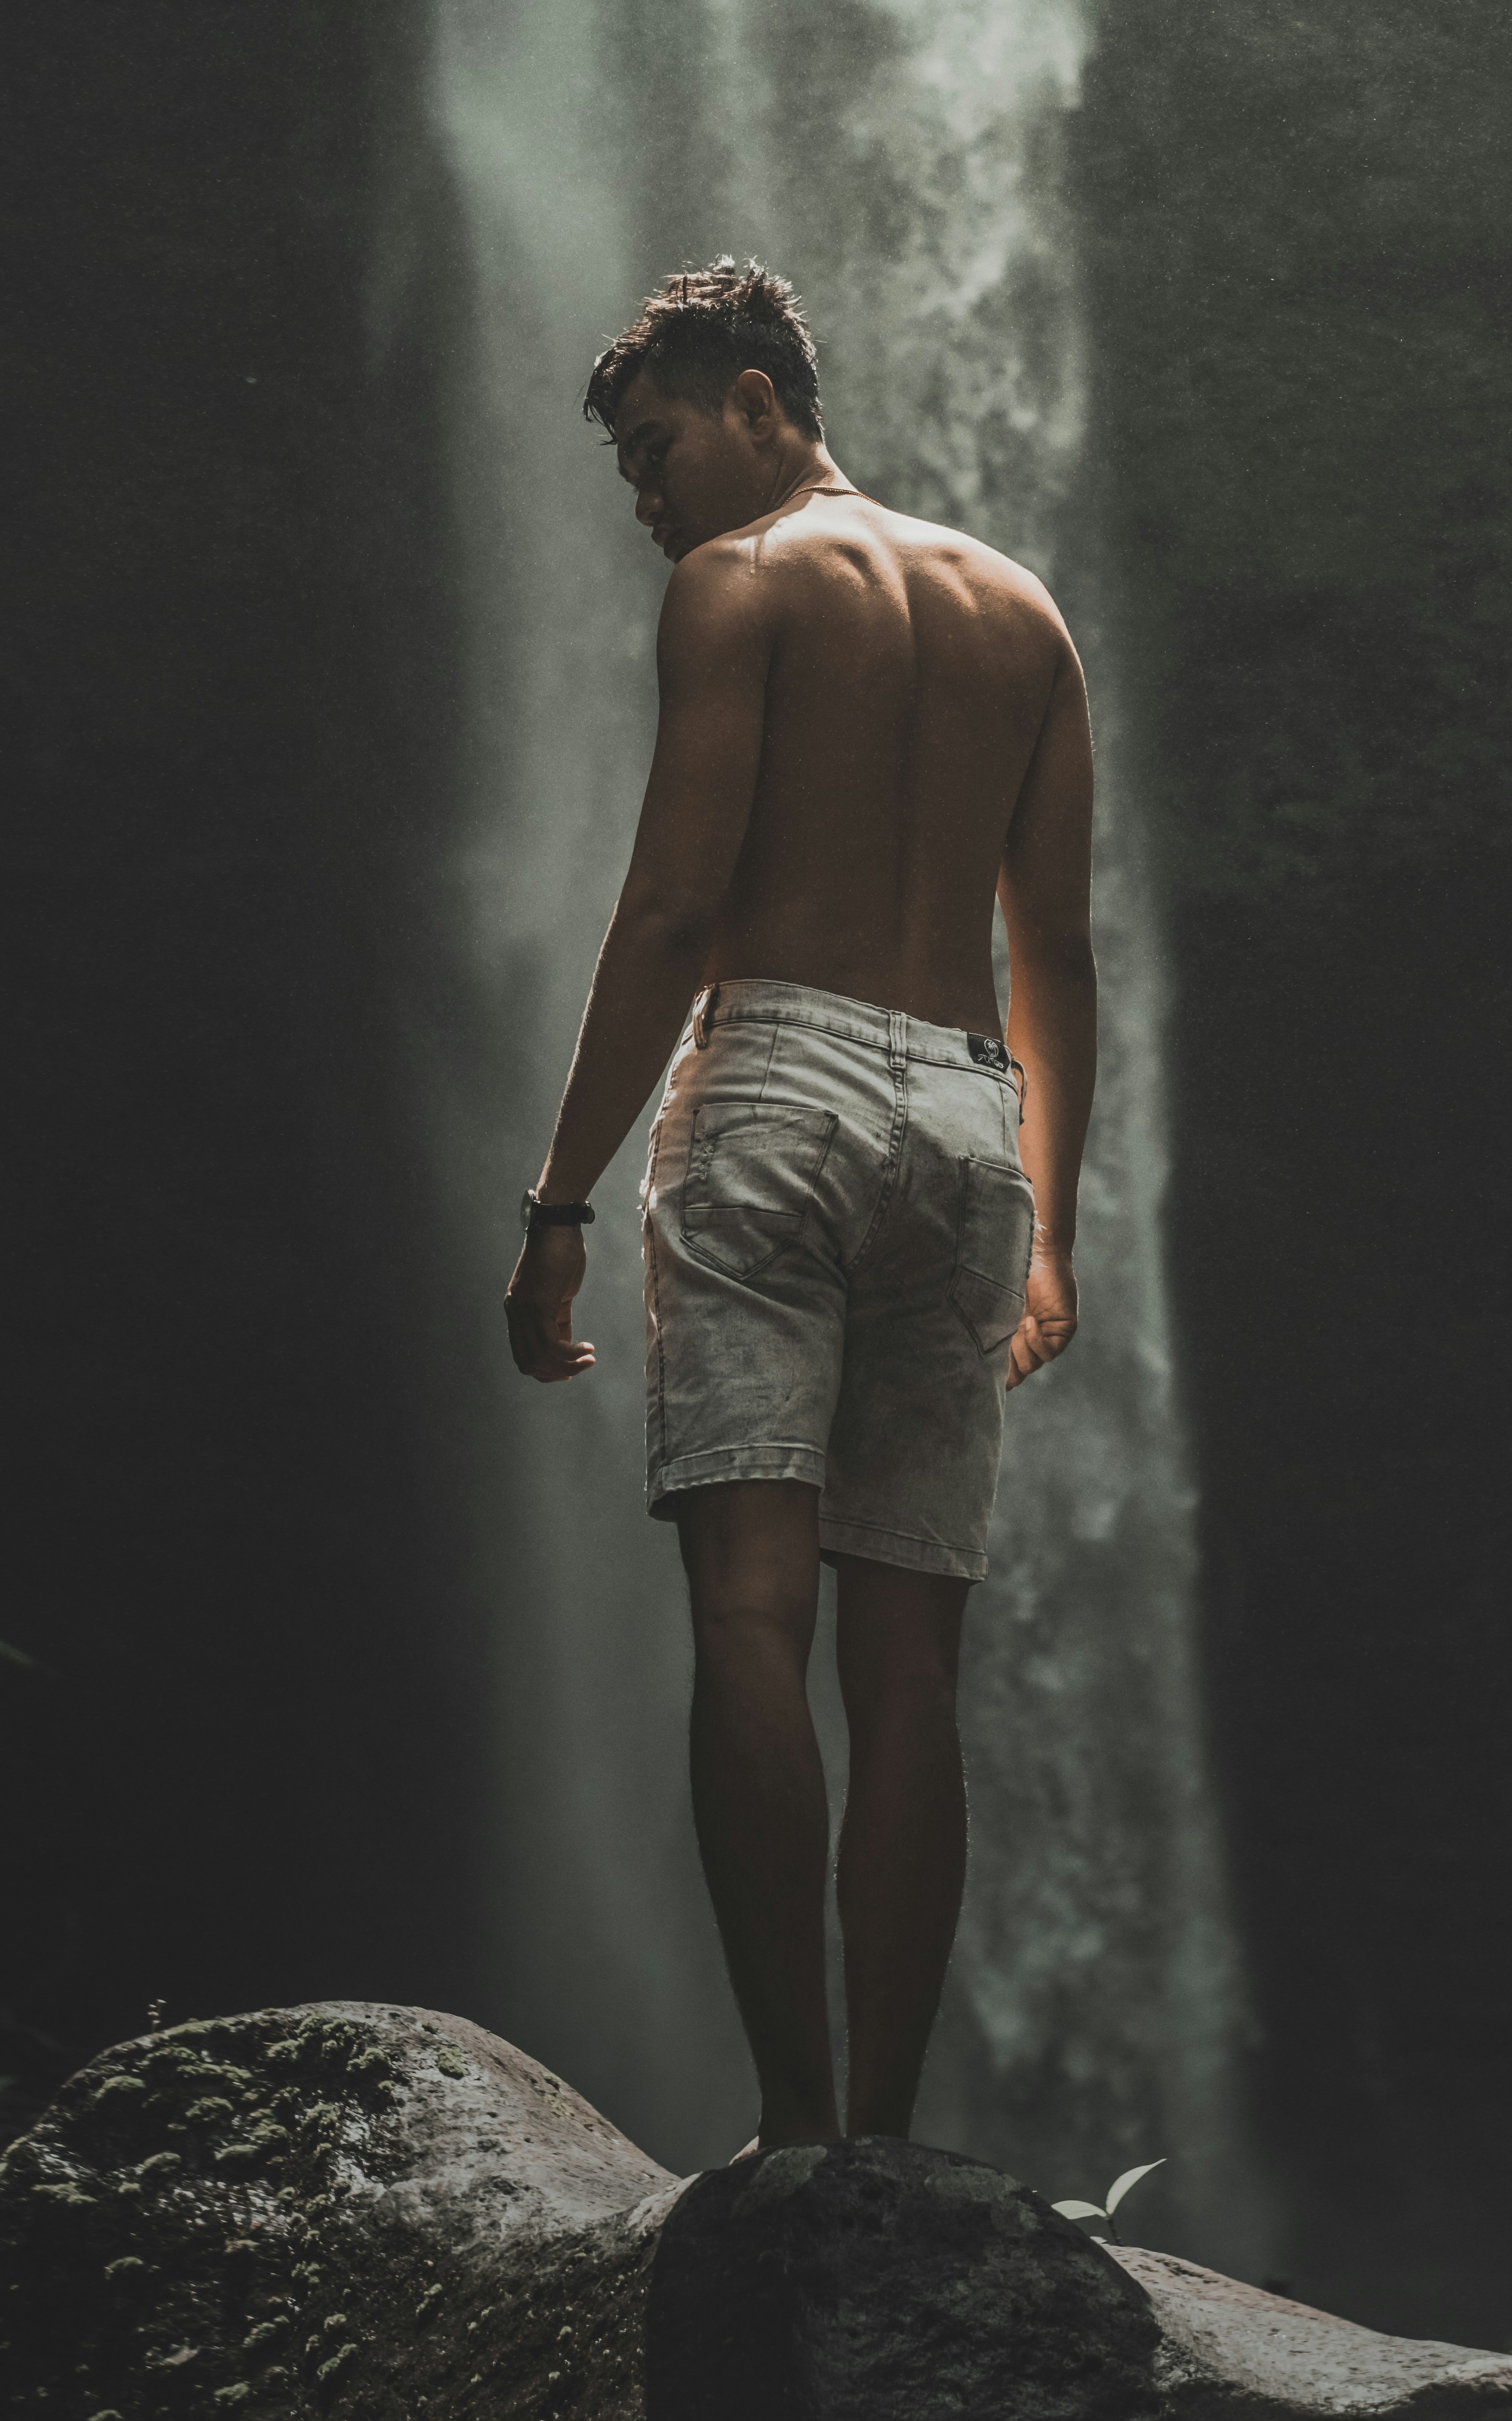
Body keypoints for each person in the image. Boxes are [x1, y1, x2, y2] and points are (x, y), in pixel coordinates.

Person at [501, 258, 1097, 2154]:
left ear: (763, 400)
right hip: (970, 1112)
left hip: (782, 1083)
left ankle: (791, 2132)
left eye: (663, 449)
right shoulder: (1026, 611)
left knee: (753, 1619)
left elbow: (675, 907)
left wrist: (560, 1198)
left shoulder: (741, 588)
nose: (652, 500)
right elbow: (1059, 954)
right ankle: (895, 2146)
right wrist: (1055, 1228)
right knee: (912, 1658)